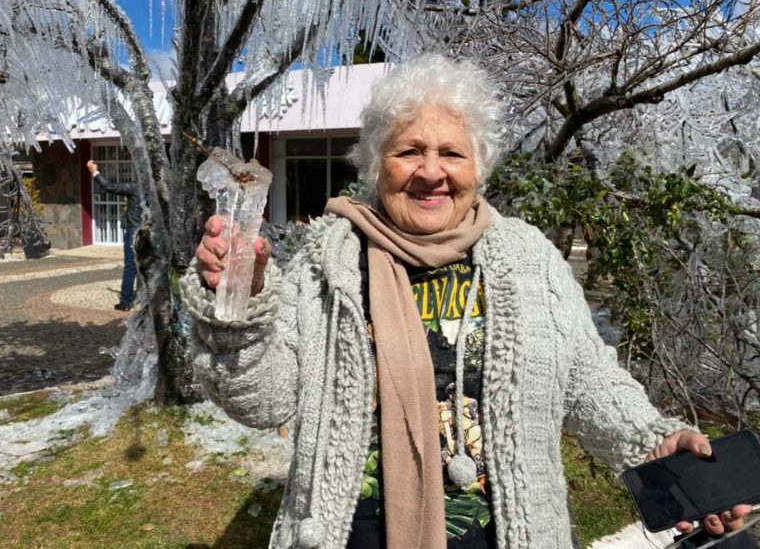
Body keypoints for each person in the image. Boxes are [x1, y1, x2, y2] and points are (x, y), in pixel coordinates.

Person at [180, 54, 750, 548]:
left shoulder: (530, 260)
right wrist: (238, 307)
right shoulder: (324, 261)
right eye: (409, 151)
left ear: (478, 166)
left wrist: (654, 440)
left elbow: (589, 381)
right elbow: (264, 402)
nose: (432, 172)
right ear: (378, 164)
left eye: (452, 153)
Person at [87, 159, 140, 311]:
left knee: (130, 267)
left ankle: (125, 302)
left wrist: (94, 172)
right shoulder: (158, 190)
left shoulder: (136, 187)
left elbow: (109, 187)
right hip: (151, 232)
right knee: (150, 266)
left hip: (134, 231)